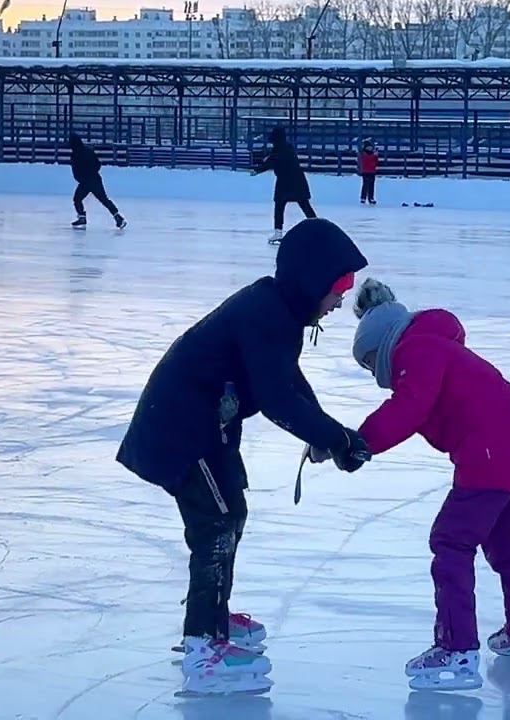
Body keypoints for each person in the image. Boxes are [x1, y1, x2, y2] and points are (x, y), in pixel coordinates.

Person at [116, 218, 372, 696]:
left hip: (206, 426)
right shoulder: (267, 314)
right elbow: (276, 399)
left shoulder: (277, 311)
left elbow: (287, 380)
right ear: (312, 280)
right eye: (337, 289)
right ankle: (203, 643)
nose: (340, 300)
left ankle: (214, 616)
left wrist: (326, 431)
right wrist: (335, 439)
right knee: (216, 523)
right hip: (182, 429)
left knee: (230, 514)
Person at [342, 279, 510, 691]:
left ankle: (457, 648)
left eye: (368, 360)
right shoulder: (434, 345)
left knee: (450, 542)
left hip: (493, 454)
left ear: (383, 345)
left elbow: (409, 408)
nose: (372, 372)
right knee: (507, 546)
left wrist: (358, 444)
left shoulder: (417, 349)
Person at [251, 127, 316, 244]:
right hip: (297, 181)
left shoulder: (279, 150)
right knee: (304, 204)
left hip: (285, 182)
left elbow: (270, 162)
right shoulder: (287, 148)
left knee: (280, 206)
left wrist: (257, 170)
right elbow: (271, 160)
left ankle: (278, 232)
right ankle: (317, 226)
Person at [69, 134, 126, 229]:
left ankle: (82, 217)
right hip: (95, 179)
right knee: (104, 200)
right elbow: (98, 164)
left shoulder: (75, 155)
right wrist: (93, 172)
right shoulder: (88, 150)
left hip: (85, 182)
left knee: (77, 199)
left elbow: (76, 170)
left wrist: (81, 178)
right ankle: (118, 217)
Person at [358, 140, 379, 205]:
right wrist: (374, 156)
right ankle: (363, 197)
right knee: (365, 184)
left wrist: (376, 156)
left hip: (372, 171)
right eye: (368, 147)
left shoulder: (372, 154)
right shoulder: (363, 153)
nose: (370, 148)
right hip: (366, 171)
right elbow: (366, 160)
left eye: (370, 147)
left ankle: (371, 198)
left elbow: (376, 162)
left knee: (371, 185)